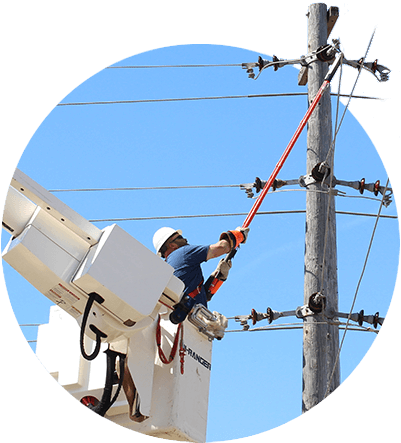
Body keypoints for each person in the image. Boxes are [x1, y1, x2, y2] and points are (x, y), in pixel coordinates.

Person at [153, 226, 249, 324]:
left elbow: (200, 294)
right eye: (180, 237)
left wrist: (219, 275)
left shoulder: (169, 269)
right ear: (172, 245)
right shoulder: (183, 252)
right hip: (194, 322)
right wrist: (239, 235)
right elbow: (222, 247)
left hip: (187, 320)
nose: (185, 239)